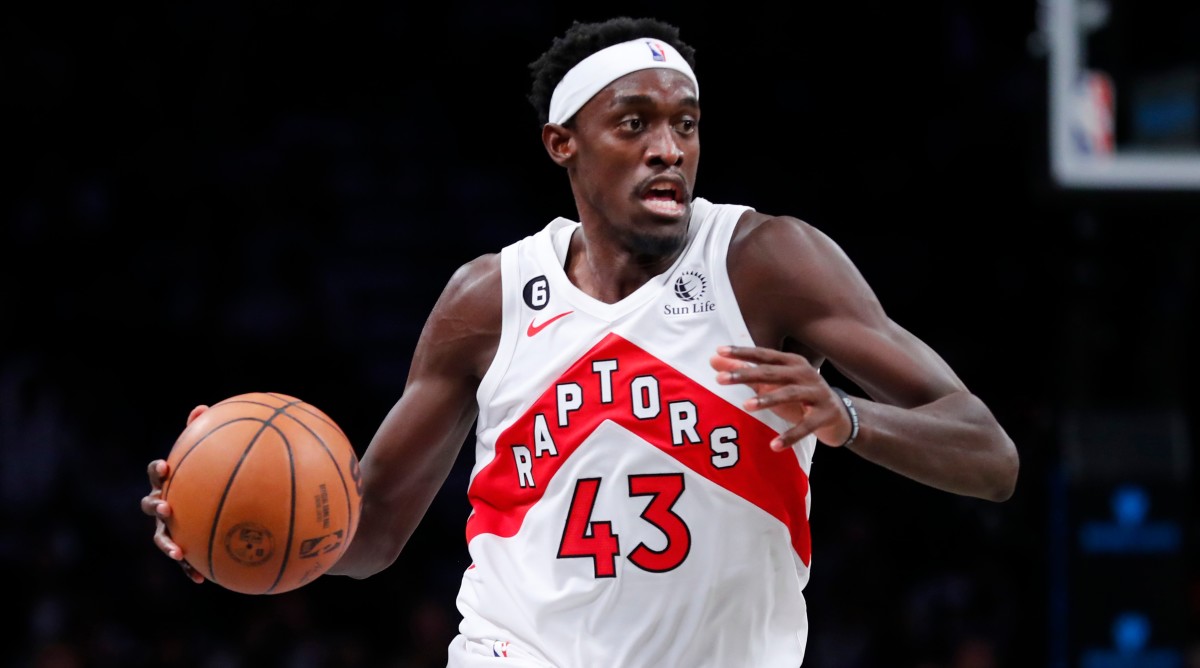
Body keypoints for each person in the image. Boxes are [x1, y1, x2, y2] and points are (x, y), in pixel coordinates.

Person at [142, 16, 1019, 667]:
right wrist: (237, 528)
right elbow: (365, 537)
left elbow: (990, 455)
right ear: (563, 144)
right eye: (634, 124)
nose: (668, 149)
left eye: (686, 122)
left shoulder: (763, 262)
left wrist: (850, 421)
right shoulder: (488, 299)